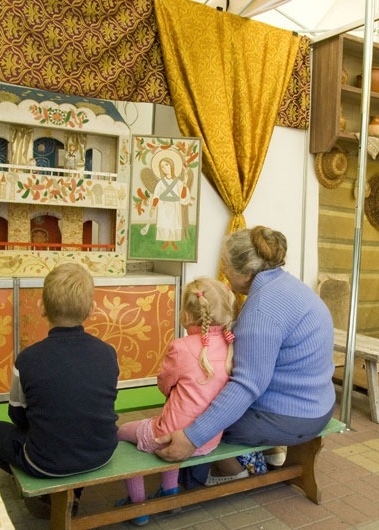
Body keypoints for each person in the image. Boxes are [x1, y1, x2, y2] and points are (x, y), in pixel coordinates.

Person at [154, 226, 336, 485]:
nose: (224, 271)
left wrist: (192, 437)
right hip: (319, 403)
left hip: (295, 418)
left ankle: (227, 471)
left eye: (226, 265)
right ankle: (270, 452)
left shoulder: (262, 308)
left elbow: (247, 385)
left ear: (246, 272)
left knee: (189, 413)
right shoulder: (287, 286)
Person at [0, 262, 119, 518]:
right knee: (75, 427)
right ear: (92, 309)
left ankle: (45, 492)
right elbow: (103, 404)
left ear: (42, 307)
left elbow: (16, 415)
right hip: (102, 453)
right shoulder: (109, 353)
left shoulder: (27, 359)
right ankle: (74, 493)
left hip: (45, 463)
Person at [116, 277, 236, 526]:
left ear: (186, 315)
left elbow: (165, 384)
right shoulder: (230, 346)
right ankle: (169, 492)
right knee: (171, 424)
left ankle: (138, 506)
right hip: (209, 440)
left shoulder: (180, 347)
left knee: (123, 432)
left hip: (172, 436)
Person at [151, 151, 190, 250]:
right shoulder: (161, 183)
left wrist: (185, 183)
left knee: (173, 224)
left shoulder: (178, 182)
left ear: (171, 165)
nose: (164, 168)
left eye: (166, 165)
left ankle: (172, 242)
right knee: (165, 223)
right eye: (162, 167)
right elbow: (156, 195)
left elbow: (183, 196)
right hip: (163, 206)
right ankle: (165, 242)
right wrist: (153, 206)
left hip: (175, 206)